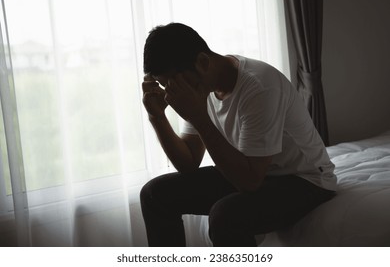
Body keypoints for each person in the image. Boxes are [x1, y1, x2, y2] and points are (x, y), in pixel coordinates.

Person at [140, 22, 336, 247]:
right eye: (167, 87)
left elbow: (249, 182)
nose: (172, 95)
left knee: (225, 215)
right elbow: (188, 163)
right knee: (154, 195)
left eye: (175, 83)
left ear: (203, 62)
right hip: (254, 172)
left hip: (304, 179)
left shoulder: (259, 86)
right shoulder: (200, 87)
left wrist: (199, 117)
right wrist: (157, 117)